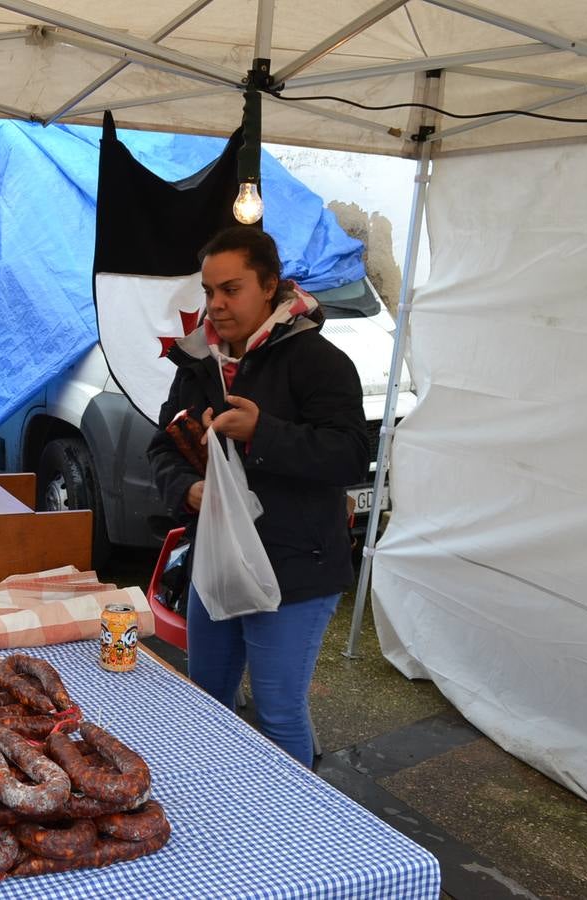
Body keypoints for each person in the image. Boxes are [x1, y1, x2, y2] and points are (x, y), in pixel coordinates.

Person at [148, 225, 369, 768]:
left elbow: (349, 455)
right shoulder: (200, 362)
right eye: (208, 291)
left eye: (231, 289)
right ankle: (220, 804)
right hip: (218, 561)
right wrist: (189, 489)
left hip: (295, 568)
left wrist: (262, 433)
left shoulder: (318, 362)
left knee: (278, 712)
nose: (216, 305)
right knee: (206, 700)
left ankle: (295, 828)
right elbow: (162, 448)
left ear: (271, 287)